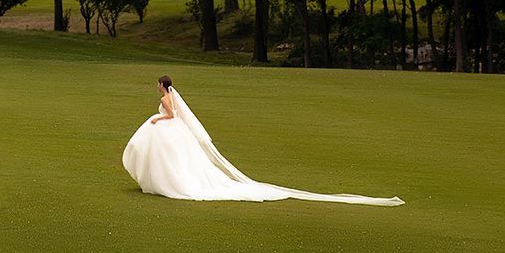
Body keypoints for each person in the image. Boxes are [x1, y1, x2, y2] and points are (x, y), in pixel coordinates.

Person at [122, 75, 402, 205]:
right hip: (176, 133)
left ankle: (167, 183)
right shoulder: (172, 95)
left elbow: (171, 115)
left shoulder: (165, 99)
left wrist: (156, 119)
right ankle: (165, 181)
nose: (156, 87)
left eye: (157, 84)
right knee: (178, 159)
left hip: (169, 129)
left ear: (162, 85)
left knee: (166, 158)